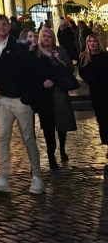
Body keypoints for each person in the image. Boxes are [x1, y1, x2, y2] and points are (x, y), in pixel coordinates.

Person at [0, 12, 45, 195]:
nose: (2, 27)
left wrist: (27, 97)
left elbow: (32, 71)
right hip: (2, 99)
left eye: (4, 24)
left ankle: (37, 177)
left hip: (20, 99)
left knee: (28, 138)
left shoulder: (19, 45)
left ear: (8, 26)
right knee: (3, 137)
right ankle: (4, 177)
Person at [32, 25, 78, 169]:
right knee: (48, 125)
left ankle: (62, 149)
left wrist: (60, 60)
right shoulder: (36, 52)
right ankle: (51, 154)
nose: (46, 39)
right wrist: (41, 83)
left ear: (53, 38)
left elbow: (70, 69)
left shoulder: (60, 51)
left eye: (49, 36)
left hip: (59, 91)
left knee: (62, 122)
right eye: (44, 36)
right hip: (44, 93)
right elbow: (31, 72)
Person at [79, 33, 108, 159]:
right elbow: (82, 72)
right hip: (96, 92)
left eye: (94, 41)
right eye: (90, 41)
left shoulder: (105, 56)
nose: (92, 43)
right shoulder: (84, 57)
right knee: (102, 118)